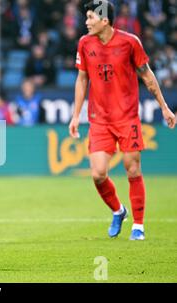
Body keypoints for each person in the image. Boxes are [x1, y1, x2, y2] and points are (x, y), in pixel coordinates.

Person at [69, 0, 175, 241]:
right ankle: (118, 210)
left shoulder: (130, 42)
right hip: (99, 120)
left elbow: (147, 77)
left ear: (104, 21)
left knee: (133, 168)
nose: (86, 22)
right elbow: (82, 79)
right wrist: (76, 116)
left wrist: (165, 108)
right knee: (97, 173)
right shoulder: (85, 43)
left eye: (90, 18)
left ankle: (138, 225)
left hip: (127, 118)